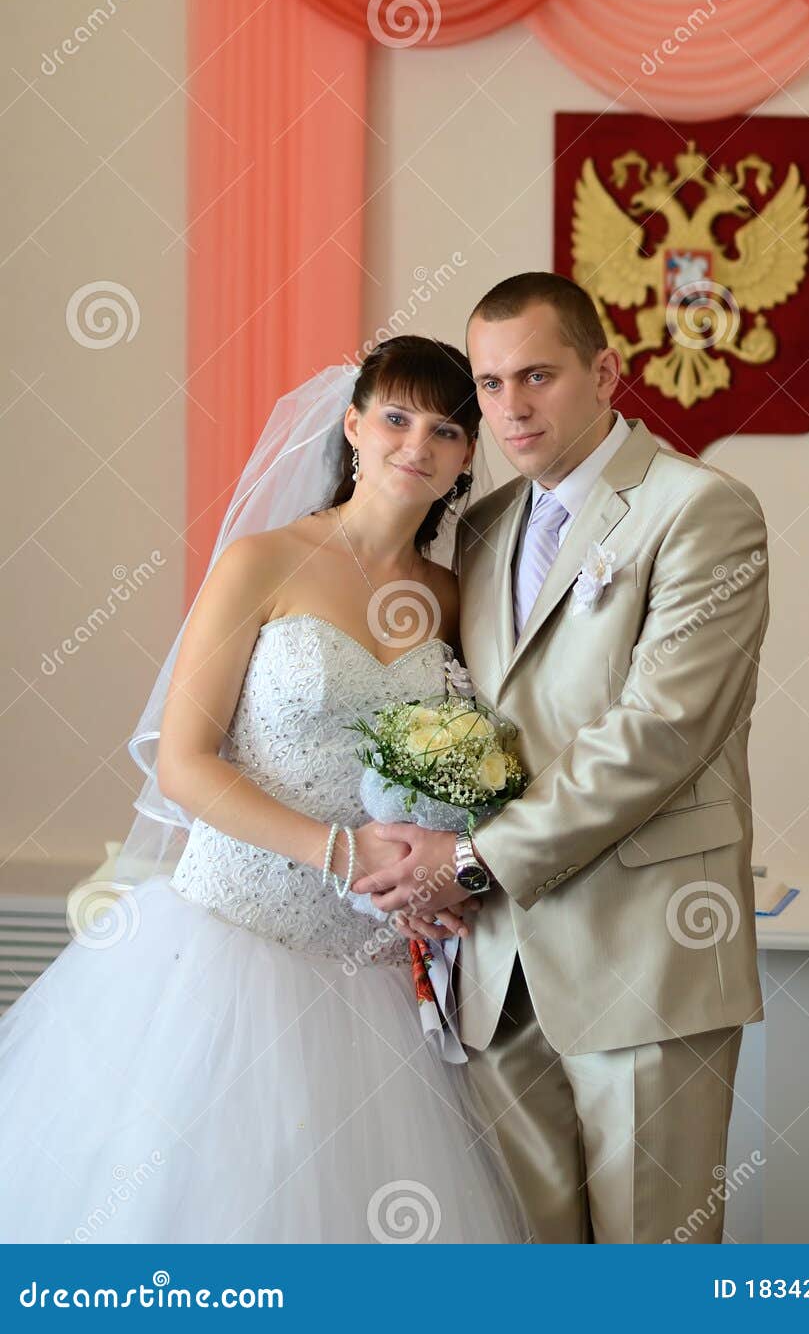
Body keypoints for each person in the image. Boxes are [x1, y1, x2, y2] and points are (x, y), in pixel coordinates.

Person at [0, 337, 527, 1245]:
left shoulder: (453, 596)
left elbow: (458, 767)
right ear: (354, 425)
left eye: (445, 429)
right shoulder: (264, 561)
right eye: (395, 417)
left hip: (365, 979)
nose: (417, 444)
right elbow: (184, 763)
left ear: (465, 457)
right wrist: (343, 853)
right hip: (222, 949)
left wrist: (430, 872)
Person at [359, 274, 771, 1244]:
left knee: (649, 1265)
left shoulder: (700, 509)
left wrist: (469, 859)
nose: (511, 407)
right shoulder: (486, 525)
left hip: (645, 952)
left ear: (606, 371)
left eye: (537, 375)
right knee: (528, 1264)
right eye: (492, 384)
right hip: (498, 967)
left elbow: (661, 733)